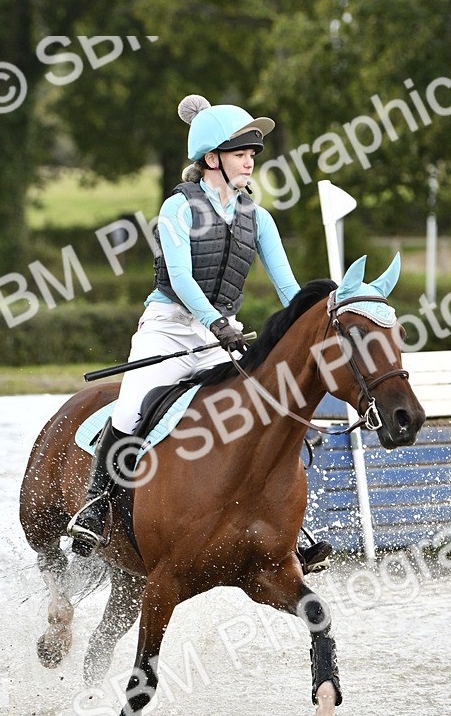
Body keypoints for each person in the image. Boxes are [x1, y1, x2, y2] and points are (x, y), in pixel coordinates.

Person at [67, 93, 331, 571]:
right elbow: (183, 279)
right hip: (168, 330)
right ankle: (97, 504)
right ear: (212, 159)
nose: (250, 161)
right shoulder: (178, 208)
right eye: (240, 153)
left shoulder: (258, 217)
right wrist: (216, 322)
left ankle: (283, 526)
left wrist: (319, 314)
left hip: (218, 338)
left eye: (252, 154)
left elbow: (288, 288)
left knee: (257, 411)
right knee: (130, 409)